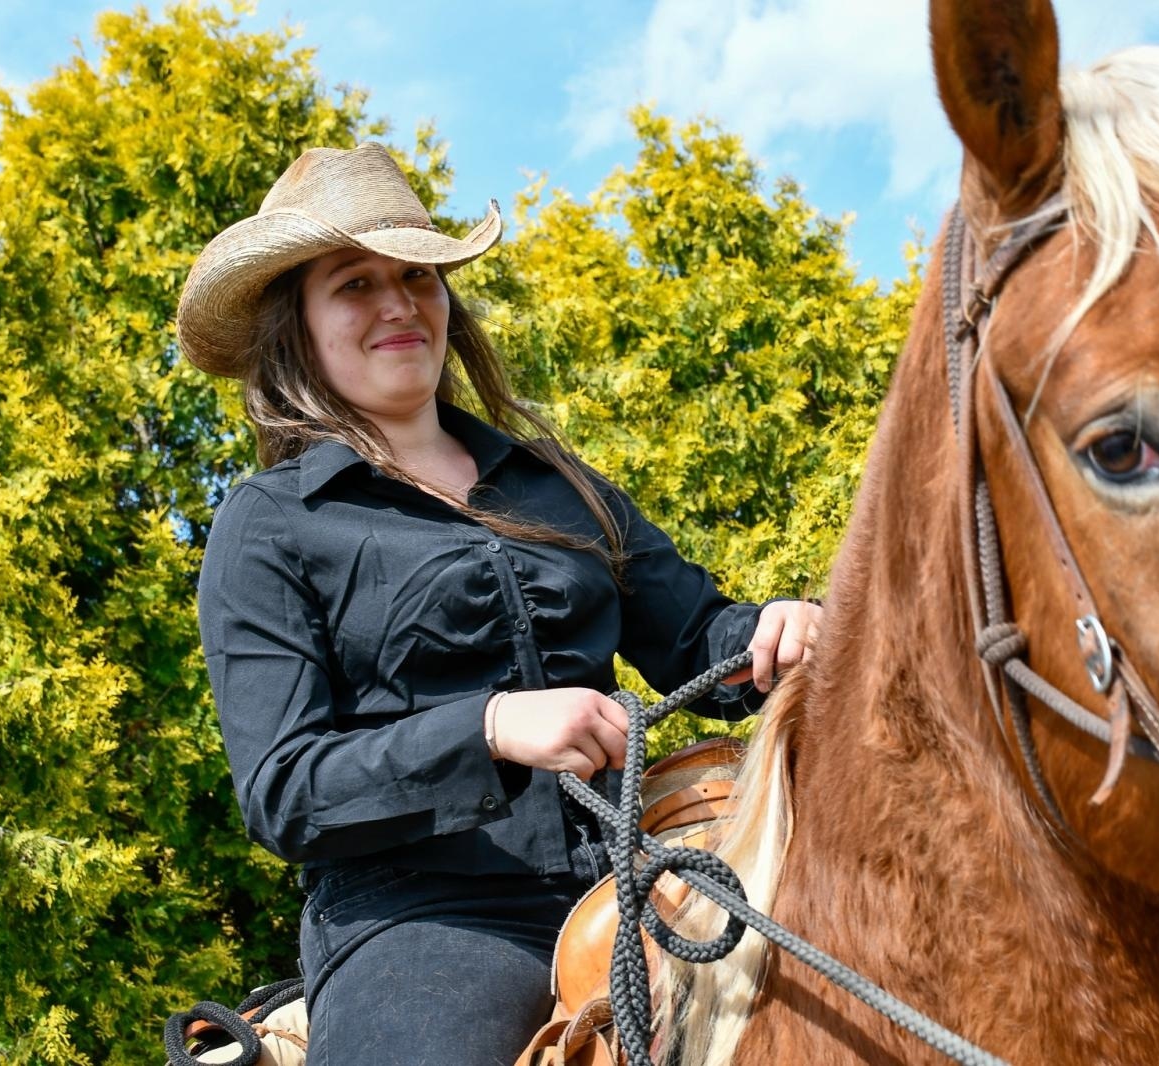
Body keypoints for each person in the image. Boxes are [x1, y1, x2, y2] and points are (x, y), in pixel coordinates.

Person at [178, 142, 822, 1065]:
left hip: (645, 867)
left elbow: (698, 638)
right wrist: (489, 728)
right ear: (299, 327)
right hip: (427, 923)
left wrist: (779, 629)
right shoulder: (270, 525)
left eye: (417, 275)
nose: (399, 303)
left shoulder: (558, 483)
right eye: (355, 284)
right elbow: (285, 791)